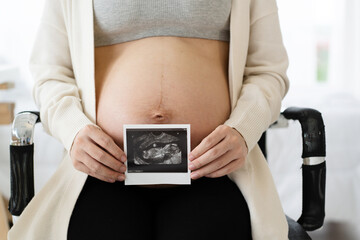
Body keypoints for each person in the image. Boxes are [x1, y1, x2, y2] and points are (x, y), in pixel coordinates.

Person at [8, 0, 290, 239]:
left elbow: (267, 72)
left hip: (211, 175)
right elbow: (50, 73)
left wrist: (243, 129)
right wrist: (72, 129)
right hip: (101, 175)